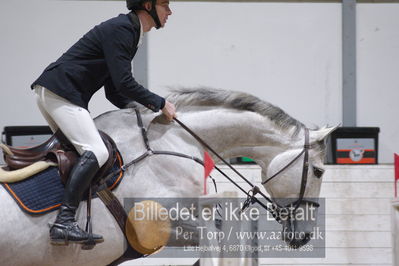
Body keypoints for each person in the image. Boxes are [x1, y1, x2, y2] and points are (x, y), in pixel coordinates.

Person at [31, 0, 176, 245]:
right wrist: (160, 103)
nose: (170, 11)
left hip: (55, 92)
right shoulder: (123, 29)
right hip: (61, 92)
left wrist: (142, 113)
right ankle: (64, 222)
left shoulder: (130, 31)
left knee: (81, 157)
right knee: (96, 151)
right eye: (165, 5)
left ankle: (74, 220)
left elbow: (114, 91)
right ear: (148, 5)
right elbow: (124, 83)